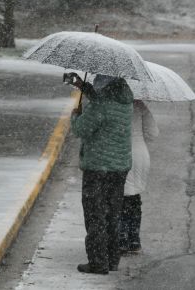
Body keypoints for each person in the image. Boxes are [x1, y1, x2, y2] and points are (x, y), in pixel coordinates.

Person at [67, 73, 133, 275]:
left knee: (95, 215)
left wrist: (75, 115)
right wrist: (84, 87)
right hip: (119, 168)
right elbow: (103, 105)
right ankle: (112, 260)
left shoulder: (100, 106)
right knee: (112, 214)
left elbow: (80, 129)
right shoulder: (124, 101)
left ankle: (98, 262)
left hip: (98, 168)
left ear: (104, 86)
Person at [119, 99, 159, 254]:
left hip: (121, 154)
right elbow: (153, 133)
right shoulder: (139, 105)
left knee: (121, 198)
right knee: (134, 198)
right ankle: (134, 240)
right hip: (141, 155)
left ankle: (121, 239)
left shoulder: (113, 104)